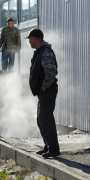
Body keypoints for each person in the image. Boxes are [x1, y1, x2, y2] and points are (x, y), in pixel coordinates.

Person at [27, 28, 60, 158]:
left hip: (48, 90)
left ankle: (54, 149)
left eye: (30, 39)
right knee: (41, 119)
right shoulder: (39, 52)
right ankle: (48, 146)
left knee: (46, 118)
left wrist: (44, 86)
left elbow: (51, 72)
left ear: (35, 39)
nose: (29, 42)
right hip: (43, 92)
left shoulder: (45, 52)